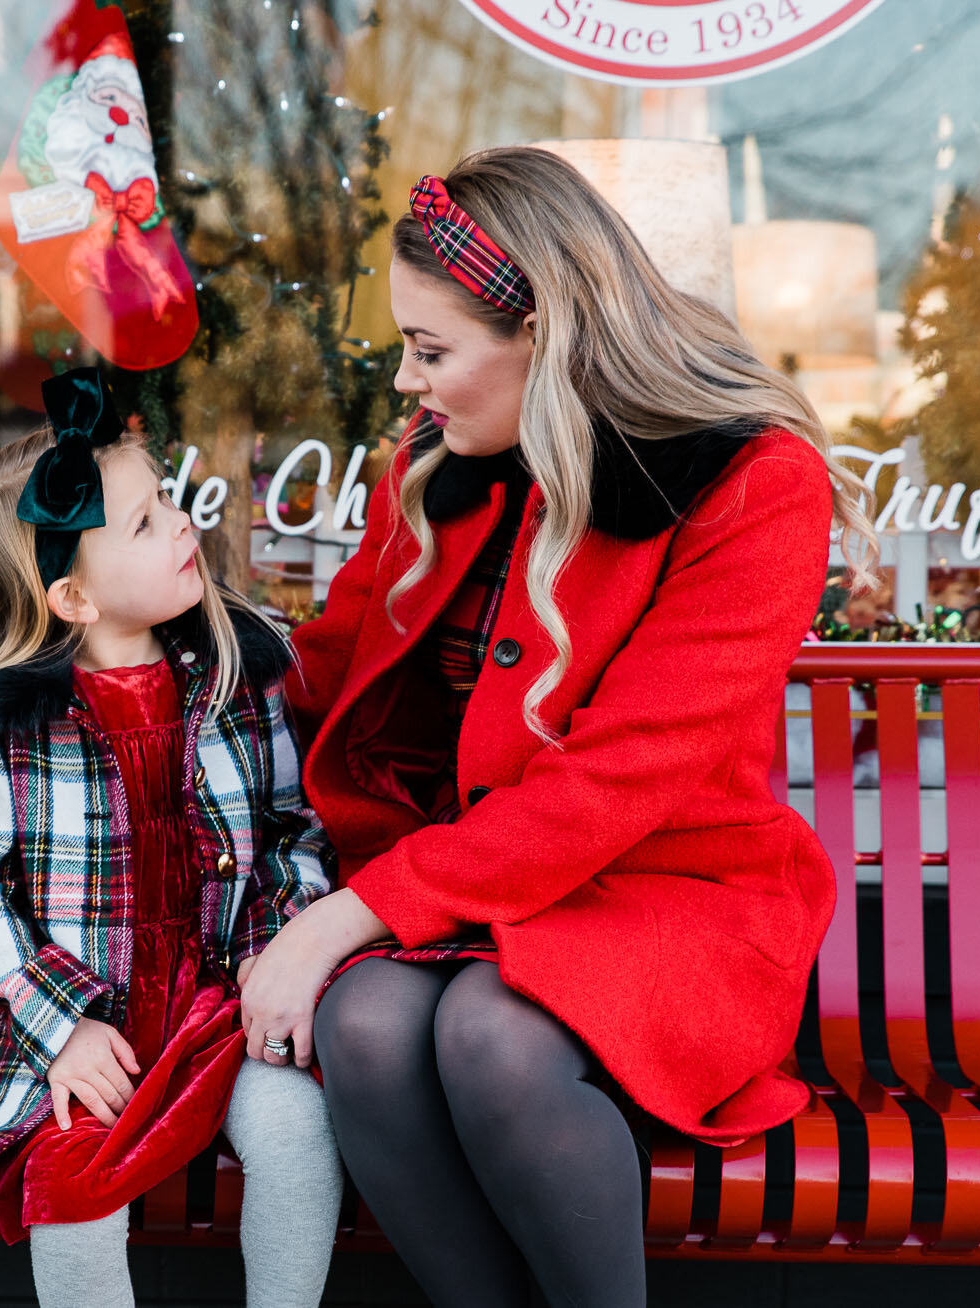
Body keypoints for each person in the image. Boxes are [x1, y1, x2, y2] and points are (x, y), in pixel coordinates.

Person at [237, 148, 881, 1306]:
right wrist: (134, 675)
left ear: (547, 333)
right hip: (473, 885)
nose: (404, 381)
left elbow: (623, 778)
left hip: (670, 891)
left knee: (496, 1040)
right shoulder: (439, 465)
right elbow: (328, 670)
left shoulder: (750, 481)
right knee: (373, 1027)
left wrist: (341, 914)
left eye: (430, 351)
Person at [0, 369, 342, 1308]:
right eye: (145, 524)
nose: (183, 524)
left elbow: (287, 832)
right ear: (72, 599)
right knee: (67, 1183)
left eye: (168, 501)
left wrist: (279, 961)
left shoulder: (234, 669)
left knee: (299, 1134)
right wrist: (60, 1031)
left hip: (223, 1006)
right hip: (82, 1027)